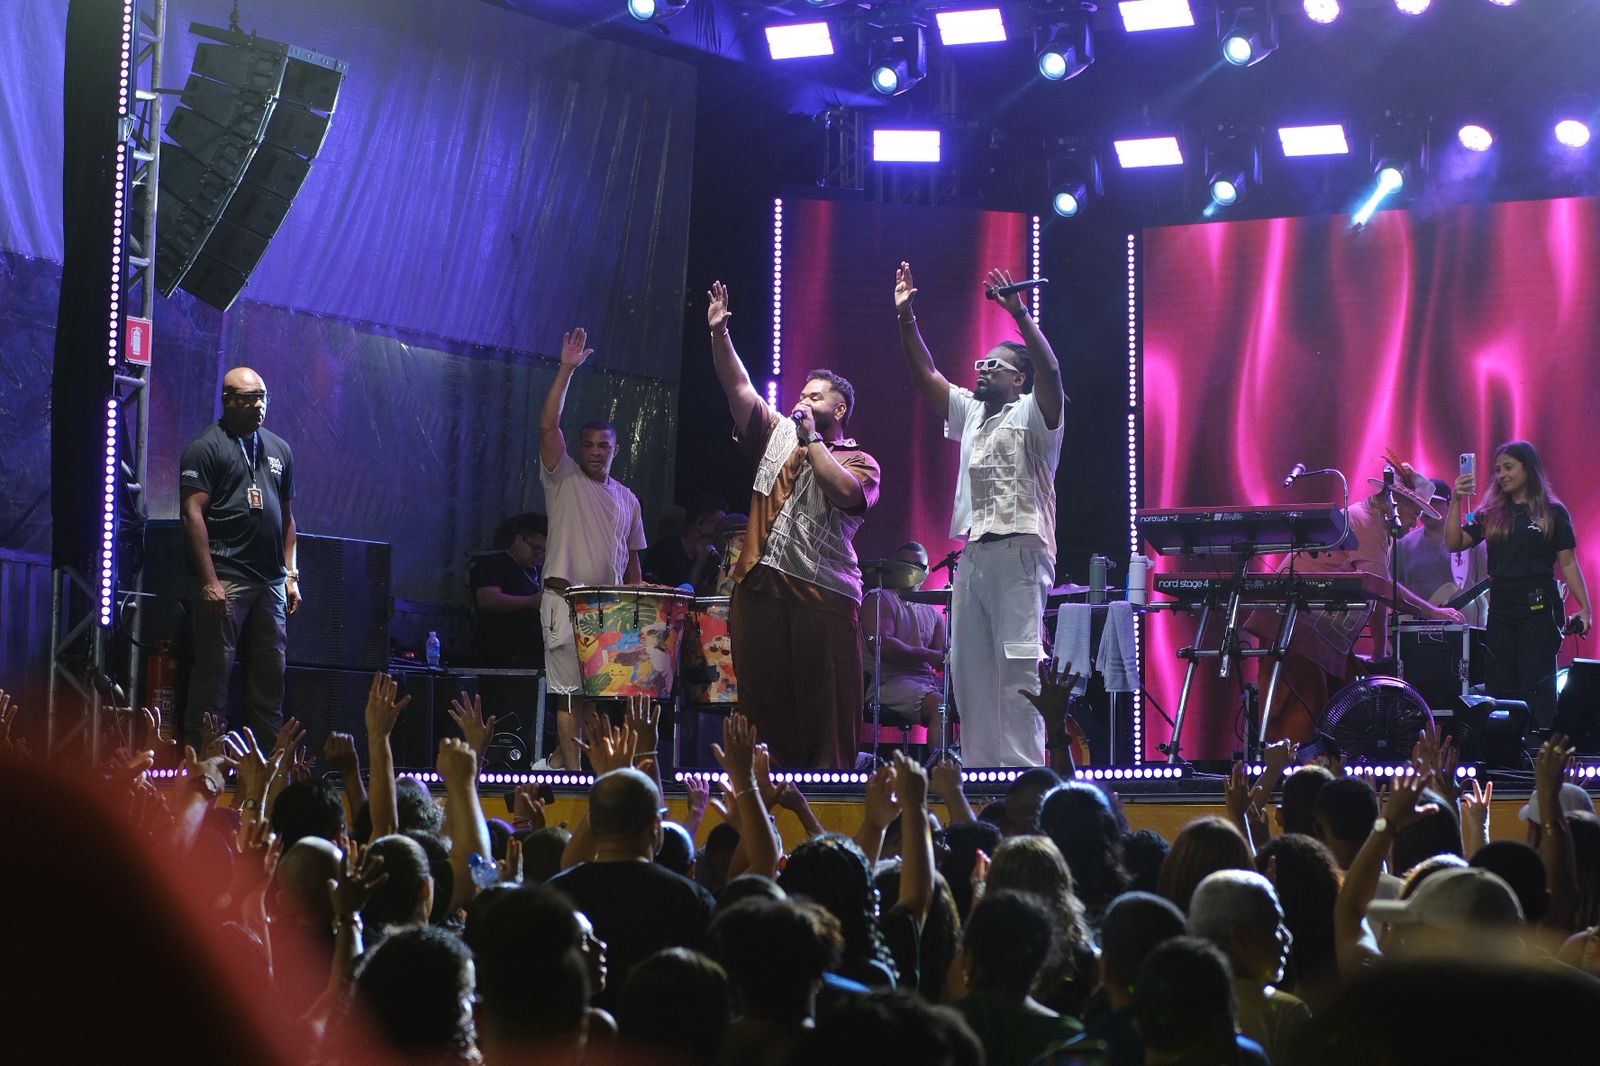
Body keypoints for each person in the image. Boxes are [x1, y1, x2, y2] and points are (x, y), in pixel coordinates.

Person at [895, 262, 1065, 767]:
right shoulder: (972, 412)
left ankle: (1024, 777)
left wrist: (1020, 315)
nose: (983, 370)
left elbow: (1052, 372)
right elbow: (927, 376)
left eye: (994, 365)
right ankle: (981, 776)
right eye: (981, 363)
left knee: (1018, 669)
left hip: (1020, 550)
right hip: (973, 555)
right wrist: (907, 319)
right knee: (970, 672)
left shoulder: (1034, 412)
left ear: (1018, 378)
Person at [707, 280, 881, 769]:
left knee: (825, 706)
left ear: (838, 410)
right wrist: (720, 334)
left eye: (815, 396)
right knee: (764, 702)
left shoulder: (860, 460)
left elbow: (845, 493)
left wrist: (811, 440)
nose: (801, 401)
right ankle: (765, 787)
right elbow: (738, 387)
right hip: (760, 584)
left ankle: (828, 795)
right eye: (801, 394)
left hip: (823, 594)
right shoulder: (775, 432)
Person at [537, 328, 647, 771]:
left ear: (616, 449)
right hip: (564, 600)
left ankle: (566, 768)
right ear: (578, 448)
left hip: (609, 610)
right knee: (568, 694)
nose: (596, 452)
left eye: (604, 446)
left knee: (597, 698)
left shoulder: (628, 499)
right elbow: (548, 426)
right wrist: (566, 370)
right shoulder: (562, 476)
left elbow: (633, 564)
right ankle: (571, 776)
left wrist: (637, 612)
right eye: (589, 445)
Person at [179, 367, 299, 751]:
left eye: (263, 397)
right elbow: (192, 514)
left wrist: (291, 575)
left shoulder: (279, 449)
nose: (259, 405)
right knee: (215, 673)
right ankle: (204, 762)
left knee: (271, 676)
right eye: (249, 398)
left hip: (271, 581)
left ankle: (268, 766)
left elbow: (287, 519)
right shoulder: (206, 447)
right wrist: (209, 580)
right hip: (227, 575)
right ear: (228, 400)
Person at [1447, 439, 1593, 728]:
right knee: (1500, 681)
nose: (1502, 474)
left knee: (1537, 680)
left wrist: (1585, 608)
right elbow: (1454, 543)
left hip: (1539, 605)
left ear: (1528, 468)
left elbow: (1568, 564)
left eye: (1509, 467)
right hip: (1501, 606)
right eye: (1498, 469)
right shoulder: (1490, 513)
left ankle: (1538, 743)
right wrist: (1455, 500)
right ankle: (1504, 744)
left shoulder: (1553, 512)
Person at [862, 540, 948, 733]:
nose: (912, 570)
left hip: (925, 681)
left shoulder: (932, 612)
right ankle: (940, 755)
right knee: (940, 707)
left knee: (973, 700)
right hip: (886, 681)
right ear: (894, 566)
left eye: (918, 566)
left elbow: (942, 657)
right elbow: (882, 646)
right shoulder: (880, 598)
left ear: (927, 570)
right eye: (905, 564)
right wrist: (929, 655)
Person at [470, 511, 547, 668]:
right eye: (535, 548)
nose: (539, 555)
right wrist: (531, 601)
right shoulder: (493, 564)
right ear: (518, 539)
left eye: (544, 550)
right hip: (502, 657)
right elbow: (487, 600)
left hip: (533, 656)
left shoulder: (541, 571)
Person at [642, 493, 727, 587]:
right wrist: (699, 564)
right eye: (718, 525)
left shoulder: (712, 558)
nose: (720, 532)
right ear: (700, 523)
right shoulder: (663, 553)